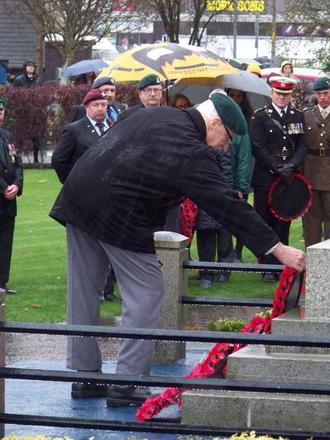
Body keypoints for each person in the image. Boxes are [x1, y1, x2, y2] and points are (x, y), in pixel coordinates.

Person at [49, 91, 305, 405]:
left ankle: (84, 377)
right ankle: (128, 383)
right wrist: (277, 248)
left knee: (83, 291)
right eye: (227, 137)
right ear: (213, 122)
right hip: (120, 213)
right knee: (148, 290)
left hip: (79, 197)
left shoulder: (154, 112)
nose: (226, 146)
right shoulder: (193, 151)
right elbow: (226, 205)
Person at [250, 76, 308, 282]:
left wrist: (291, 166)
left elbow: (302, 145)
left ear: (290, 95)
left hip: (289, 179)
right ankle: (266, 267)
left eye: (285, 94)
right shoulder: (260, 117)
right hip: (266, 178)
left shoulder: (297, 116)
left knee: (283, 221)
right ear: (271, 94)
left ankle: (282, 266)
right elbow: (258, 147)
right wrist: (277, 167)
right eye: (278, 93)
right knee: (264, 222)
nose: (281, 98)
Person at [52, 89, 109, 184]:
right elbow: (58, 159)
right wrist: (72, 182)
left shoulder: (113, 125)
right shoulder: (74, 130)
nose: (100, 108)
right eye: (95, 105)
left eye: (103, 105)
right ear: (86, 107)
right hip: (85, 186)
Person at [302, 76, 330, 247]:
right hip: (310, 172)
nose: (323, 97)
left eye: (326, 93)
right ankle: (312, 262)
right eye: (320, 94)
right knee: (311, 221)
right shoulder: (307, 115)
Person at [0, 100, 24, 296]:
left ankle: (2, 283)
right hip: (2, 193)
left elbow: (18, 164)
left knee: (6, 242)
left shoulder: (8, 136)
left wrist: (17, 184)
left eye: (0, 111)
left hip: (9, 202)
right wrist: (4, 187)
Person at [12, 61, 43, 163]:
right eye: (29, 66)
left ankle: (36, 158)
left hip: (36, 112)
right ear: (25, 68)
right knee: (21, 135)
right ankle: (18, 157)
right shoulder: (19, 80)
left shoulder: (38, 80)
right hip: (23, 112)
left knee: (36, 136)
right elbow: (14, 95)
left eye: (33, 66)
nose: (31, 68)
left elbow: (42, 94)